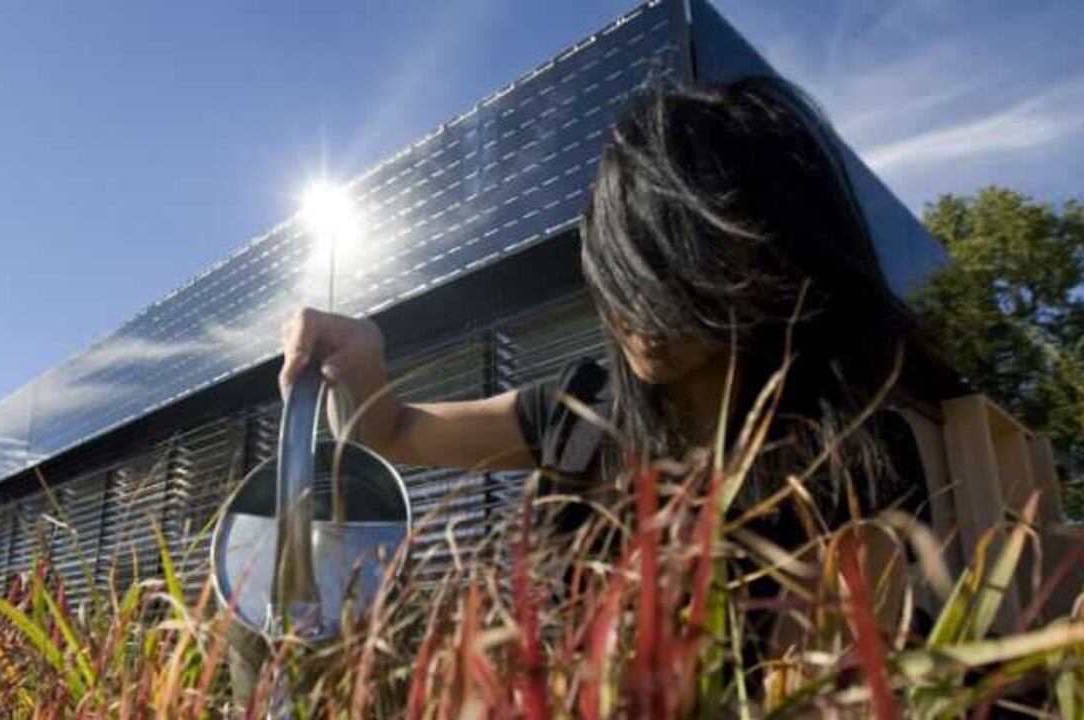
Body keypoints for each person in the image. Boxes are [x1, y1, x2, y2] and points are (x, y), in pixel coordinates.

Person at [278, 76, 942, 544]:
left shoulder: (861, 457)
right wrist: (360, 359)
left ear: (773, 252)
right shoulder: (579, 418)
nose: (637, 314)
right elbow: (390, 435)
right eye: (623, 270)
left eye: (675, 266)